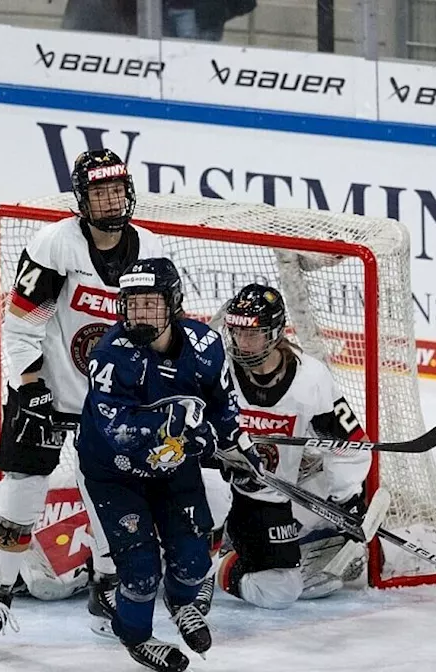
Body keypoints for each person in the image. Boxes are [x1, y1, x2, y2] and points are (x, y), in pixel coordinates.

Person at [0, 149, 163, 654]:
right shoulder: (55, 243)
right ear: (82, 198)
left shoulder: (151, 250)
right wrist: (31, 386)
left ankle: (106, 589)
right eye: (98, 191)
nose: (109, 199)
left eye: (116, 189)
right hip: (50, 394)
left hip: (111, 401)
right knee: (20, 493)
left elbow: (158, 330)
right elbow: (21, 324)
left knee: (112, 499)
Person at [77, 257, 259, 672]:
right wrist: (177, 430)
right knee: (139, 569)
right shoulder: (110, 354)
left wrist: (236, 444)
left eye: (150, 303)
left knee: (195, 558)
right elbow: (116, 428)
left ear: (173, 303)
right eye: (132, 303)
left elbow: (222, 407)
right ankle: (137, 637)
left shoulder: (205, 346)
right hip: (114, 473)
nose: (139, 313)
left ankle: (181, 604)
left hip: (171, 470)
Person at [215, 284, 370, 609]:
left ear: (274, 333)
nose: (243, 343)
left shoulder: (310, 378)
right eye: (237, 332)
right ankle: (207, 548)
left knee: (281, 592)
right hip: (218, 490)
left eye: (252, 334)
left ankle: (222, 565)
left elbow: (349, 444)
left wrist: (345, 498)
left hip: (270, 497)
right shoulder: (218, 367)